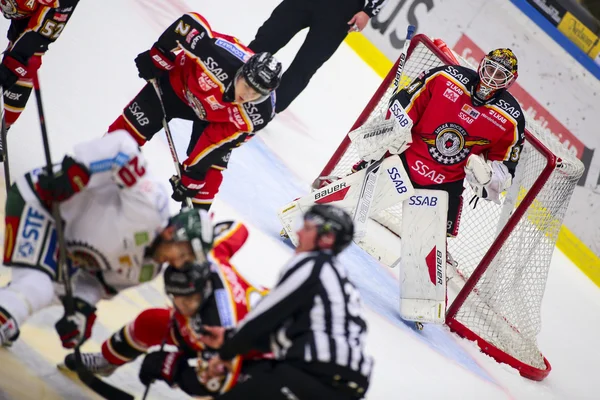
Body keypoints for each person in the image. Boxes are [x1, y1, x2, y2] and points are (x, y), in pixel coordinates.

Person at [0, 130, 214, 349]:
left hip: (64, 239)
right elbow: (123, 147)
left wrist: (82, 310)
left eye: (186, 260)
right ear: (173, 233)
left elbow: (95, 283)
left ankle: (9, 312)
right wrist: (77, 173)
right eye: (184, 253)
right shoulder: (150, 207)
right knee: (38, 287)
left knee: (47, 289)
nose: (179, 263)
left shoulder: (146, 271)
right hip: (43, 201)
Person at [65, 220, 272, 398]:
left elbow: (214, 385)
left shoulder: (221, 326)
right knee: (150, 322)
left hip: (256, 358)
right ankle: (106, 361)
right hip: (220, 329)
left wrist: (172, 368)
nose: (183, 306)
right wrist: (195, 239)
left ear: (205, 289)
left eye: (190, 299)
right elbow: (239, 228)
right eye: (177, 297)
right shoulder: (210, 258)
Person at [107, 12, 282, 210]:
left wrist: (194, 173)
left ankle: (190, 231)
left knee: (206, 178)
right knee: (124, 135)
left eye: (257, 94)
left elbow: (218, 142)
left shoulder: (259, 114)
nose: (248, 95)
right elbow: (189, 23)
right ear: (241, 72)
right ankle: (91, 174)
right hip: (176, 87)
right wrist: (158, 55)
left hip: (216, 119)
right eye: (247, 86)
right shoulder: (217, 54)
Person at [199, 204, 373, 400]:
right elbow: (288, 332)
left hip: (318, 374)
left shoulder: (313, 265)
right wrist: (228, 337)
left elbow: (264, 318)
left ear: (327, 238)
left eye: (307, 228)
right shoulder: (339, 279)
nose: (298, 232)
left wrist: (225, 352)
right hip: (345, 383)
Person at [351, 48, 525, 238]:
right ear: (482, 63)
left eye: (500, 74)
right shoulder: (446, 76)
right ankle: (353, 181)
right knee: (347, 198)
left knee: (430, 245)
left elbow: (504, 171)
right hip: (402, 160)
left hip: (444, 183)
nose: (492, 78)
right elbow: (405, 102)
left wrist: (487, 178)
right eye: (491, 69)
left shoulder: (512, 118)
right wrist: (396, 126)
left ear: (510, 80)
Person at [247, 0, 390, 112]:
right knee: (267, 38)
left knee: (305, 65)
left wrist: (368, 11)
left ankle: (267, 110)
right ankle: (234, 76)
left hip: (343, 9)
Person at [0, 0, 80, 128]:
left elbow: (38, 37)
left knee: (25, 61)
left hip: (34, 17)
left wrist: (14, 62)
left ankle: (3, 127)